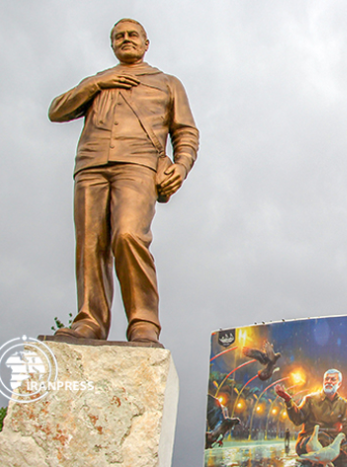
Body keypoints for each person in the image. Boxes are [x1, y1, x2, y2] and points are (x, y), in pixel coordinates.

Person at [48, 19, 199, 345]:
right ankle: (90, 321)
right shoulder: (99, 81)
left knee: (128, 235)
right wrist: (97, 83)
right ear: (112, 45)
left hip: (138, 165)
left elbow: (185, 132)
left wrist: (182, 166)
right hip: (90, 164)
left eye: (133, 35)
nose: (126, 39)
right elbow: (56, 110)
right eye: (119, 36)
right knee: (90, 244)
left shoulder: (167, 82)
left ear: (146, 44)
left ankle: (144, 322)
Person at [275, 369, 347, 461]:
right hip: (311, 441)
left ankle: (332, 454)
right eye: (326, 379)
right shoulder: (310, 400)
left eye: (333, 379)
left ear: (339, 384)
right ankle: (335, 455)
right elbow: (297, 419)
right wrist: (288, 401)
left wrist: (342, 444)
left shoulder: (344, 404)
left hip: (334, 445)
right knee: (320, 438)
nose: (329, 382)